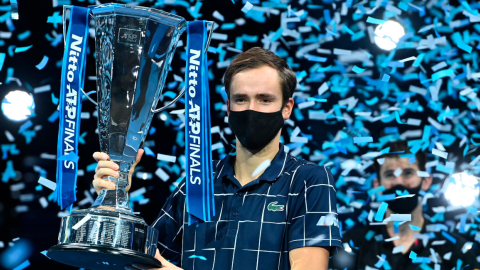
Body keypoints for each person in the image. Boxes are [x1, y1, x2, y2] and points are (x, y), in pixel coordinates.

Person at [92, 47, 343, 270]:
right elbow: (142, 261)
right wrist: (114, 198)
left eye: (265, 100)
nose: (251, 109)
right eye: (241, 99)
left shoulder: (309, 181)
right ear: (228, 106)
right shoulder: (196, 184)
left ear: (287, 108)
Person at [332, 140, 480, 270]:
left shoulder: (454, 248)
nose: (399, 182)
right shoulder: (353, 244)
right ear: (377, 185)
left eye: (408, 173)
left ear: (426, 181)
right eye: (390, 175)